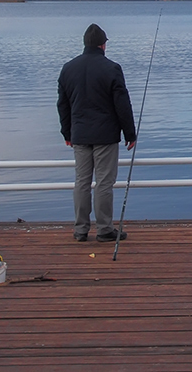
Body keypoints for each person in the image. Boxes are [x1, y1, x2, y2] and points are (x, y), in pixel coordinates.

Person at [58, 23, 137, 242]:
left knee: (82, 181)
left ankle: (80, 230)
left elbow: (62, 105)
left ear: (85, 43)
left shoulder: (68, 68)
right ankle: (104, 229)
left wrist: (67, 132)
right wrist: (130, 133)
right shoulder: (111, 68)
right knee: (104, 182)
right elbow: (122, 104)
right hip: (105, 136)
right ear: (103, 45)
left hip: (80, 135)